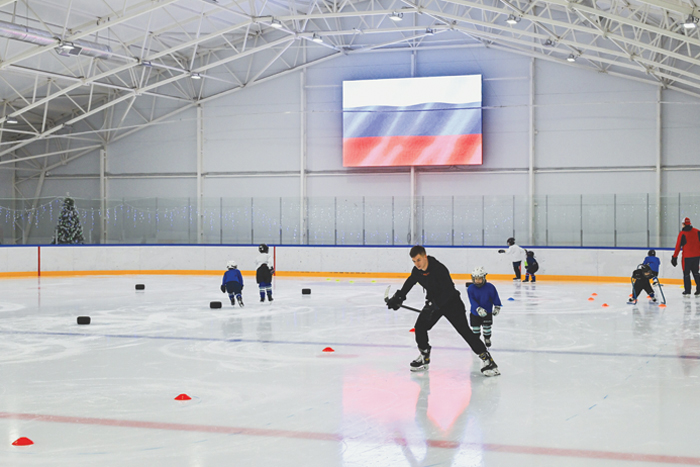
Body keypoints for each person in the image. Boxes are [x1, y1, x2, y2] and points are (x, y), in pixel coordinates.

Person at [386, 245, 499, 376]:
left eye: (418, 260)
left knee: (465, 332)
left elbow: (447, 291)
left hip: (452, 303)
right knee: (420, 327)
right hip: (434, 303)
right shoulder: (417, 271)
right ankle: (424, 357)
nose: (417, 264)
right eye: (414, 261)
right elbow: (411, 281)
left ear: (425, 257)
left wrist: (433, 307)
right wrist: (399, 297)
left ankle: (488, 360)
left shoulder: (439, 269)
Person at [467, 266, 502, 348]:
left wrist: (497, 306)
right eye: (475, 279)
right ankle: (476, 341)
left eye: (479, 279)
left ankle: (487, 338)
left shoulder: (490, 287)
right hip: (475, 313)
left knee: (487, 328)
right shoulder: (471, 288)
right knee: (475, 329)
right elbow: (472, 301)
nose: (477, 281)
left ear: (484, 278)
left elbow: (494, 297)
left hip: (487, 312)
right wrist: (478, 308)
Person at [671, 217, 700, 296]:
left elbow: (678, 246)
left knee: (686, 274)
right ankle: (699, 289)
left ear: (683, 224)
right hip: (697, 256)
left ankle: (687, 291)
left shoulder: (682, 234)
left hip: (687, 257)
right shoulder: (697, 231)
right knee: (696, 273)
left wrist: (674, 257)